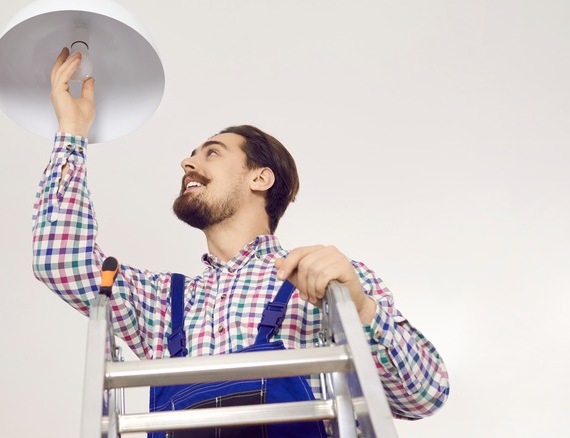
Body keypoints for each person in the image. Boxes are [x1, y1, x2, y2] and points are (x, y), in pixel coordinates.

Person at [32, 48, 450, 432]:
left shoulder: (327, 280)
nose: (188, 162)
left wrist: (359, 306)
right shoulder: (164, 303)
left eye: (211, 152)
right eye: (192, 155)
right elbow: (60, 260)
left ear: (260, 177)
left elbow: (424, 394)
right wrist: (72, 132)